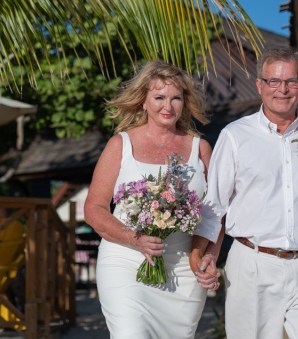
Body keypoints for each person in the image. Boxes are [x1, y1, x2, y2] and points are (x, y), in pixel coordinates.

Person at [191, 46, 298, 339]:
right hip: (253, 264)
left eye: (291, 81)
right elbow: (215, 206)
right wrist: (200, 253)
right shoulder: (235, 136)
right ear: (260, 85)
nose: (283, 89)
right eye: (274, 81)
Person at [84, 60, 218, 338]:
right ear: (143, 101)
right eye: (159, 97)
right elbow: (94, 208)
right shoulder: (120, 144)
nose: (167, 106)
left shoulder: (201, 148)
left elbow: (216, 213)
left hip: (183, 267)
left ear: (185, 102)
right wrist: (133, 238)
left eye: (176, 98)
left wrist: (209, 257)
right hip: (126, 261)